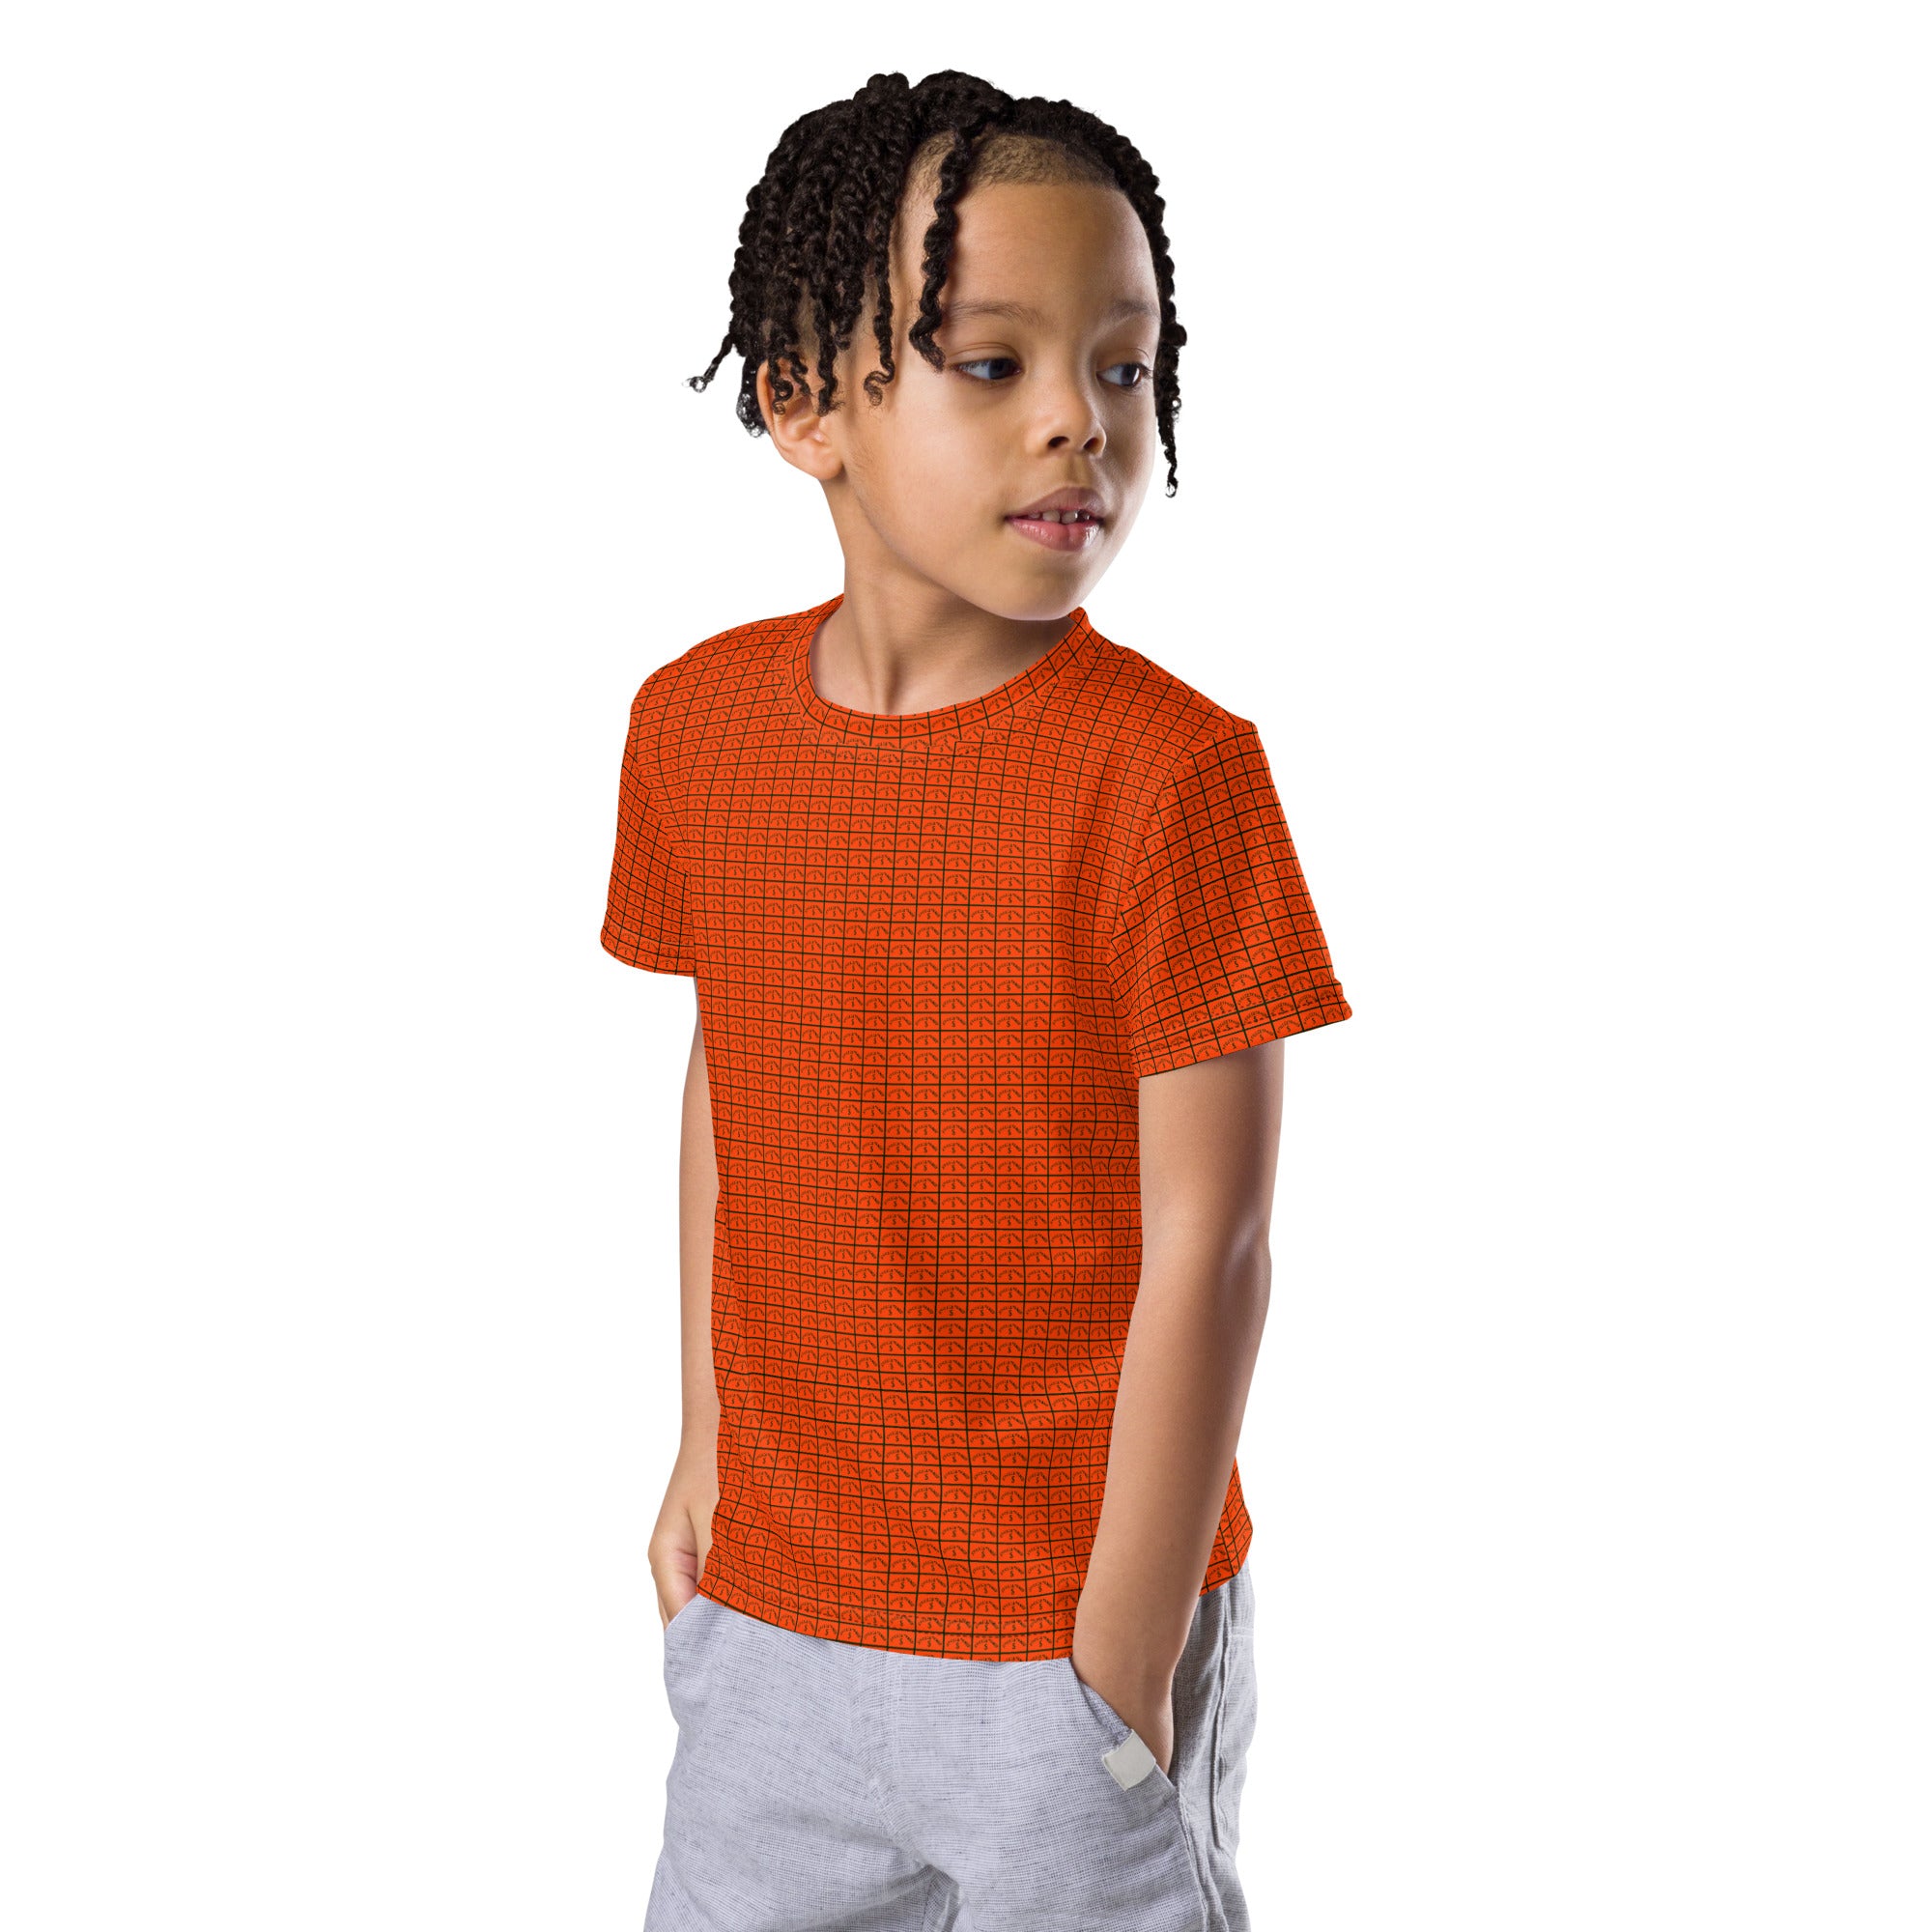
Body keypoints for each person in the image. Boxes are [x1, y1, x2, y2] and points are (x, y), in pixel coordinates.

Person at [601, 68, 1354, 1932]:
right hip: (773, 1625)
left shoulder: (1173, 775)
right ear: (803, 399)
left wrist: (1122, 1648)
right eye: (995, 363)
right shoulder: (694, 726)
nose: (1083, 423)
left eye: (1126, 367)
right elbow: (729, 1085)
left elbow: (1217, 1240)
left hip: (1062, 1660)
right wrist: (705, 1449)